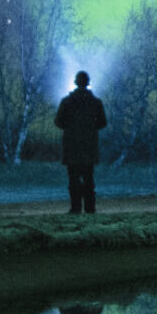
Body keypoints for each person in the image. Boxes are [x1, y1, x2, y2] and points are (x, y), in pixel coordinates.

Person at [53, 70, 107, 215]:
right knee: (89, 178)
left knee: (73, 179)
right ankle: (90, 208)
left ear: (76, 82)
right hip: (89, 146)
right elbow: (102, 123)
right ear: (88, 83)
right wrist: (89, 129)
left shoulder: (67, 101)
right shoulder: (96, 102)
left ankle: (75, 208)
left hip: (72, 146)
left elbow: (58, 122)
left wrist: (71, 128)